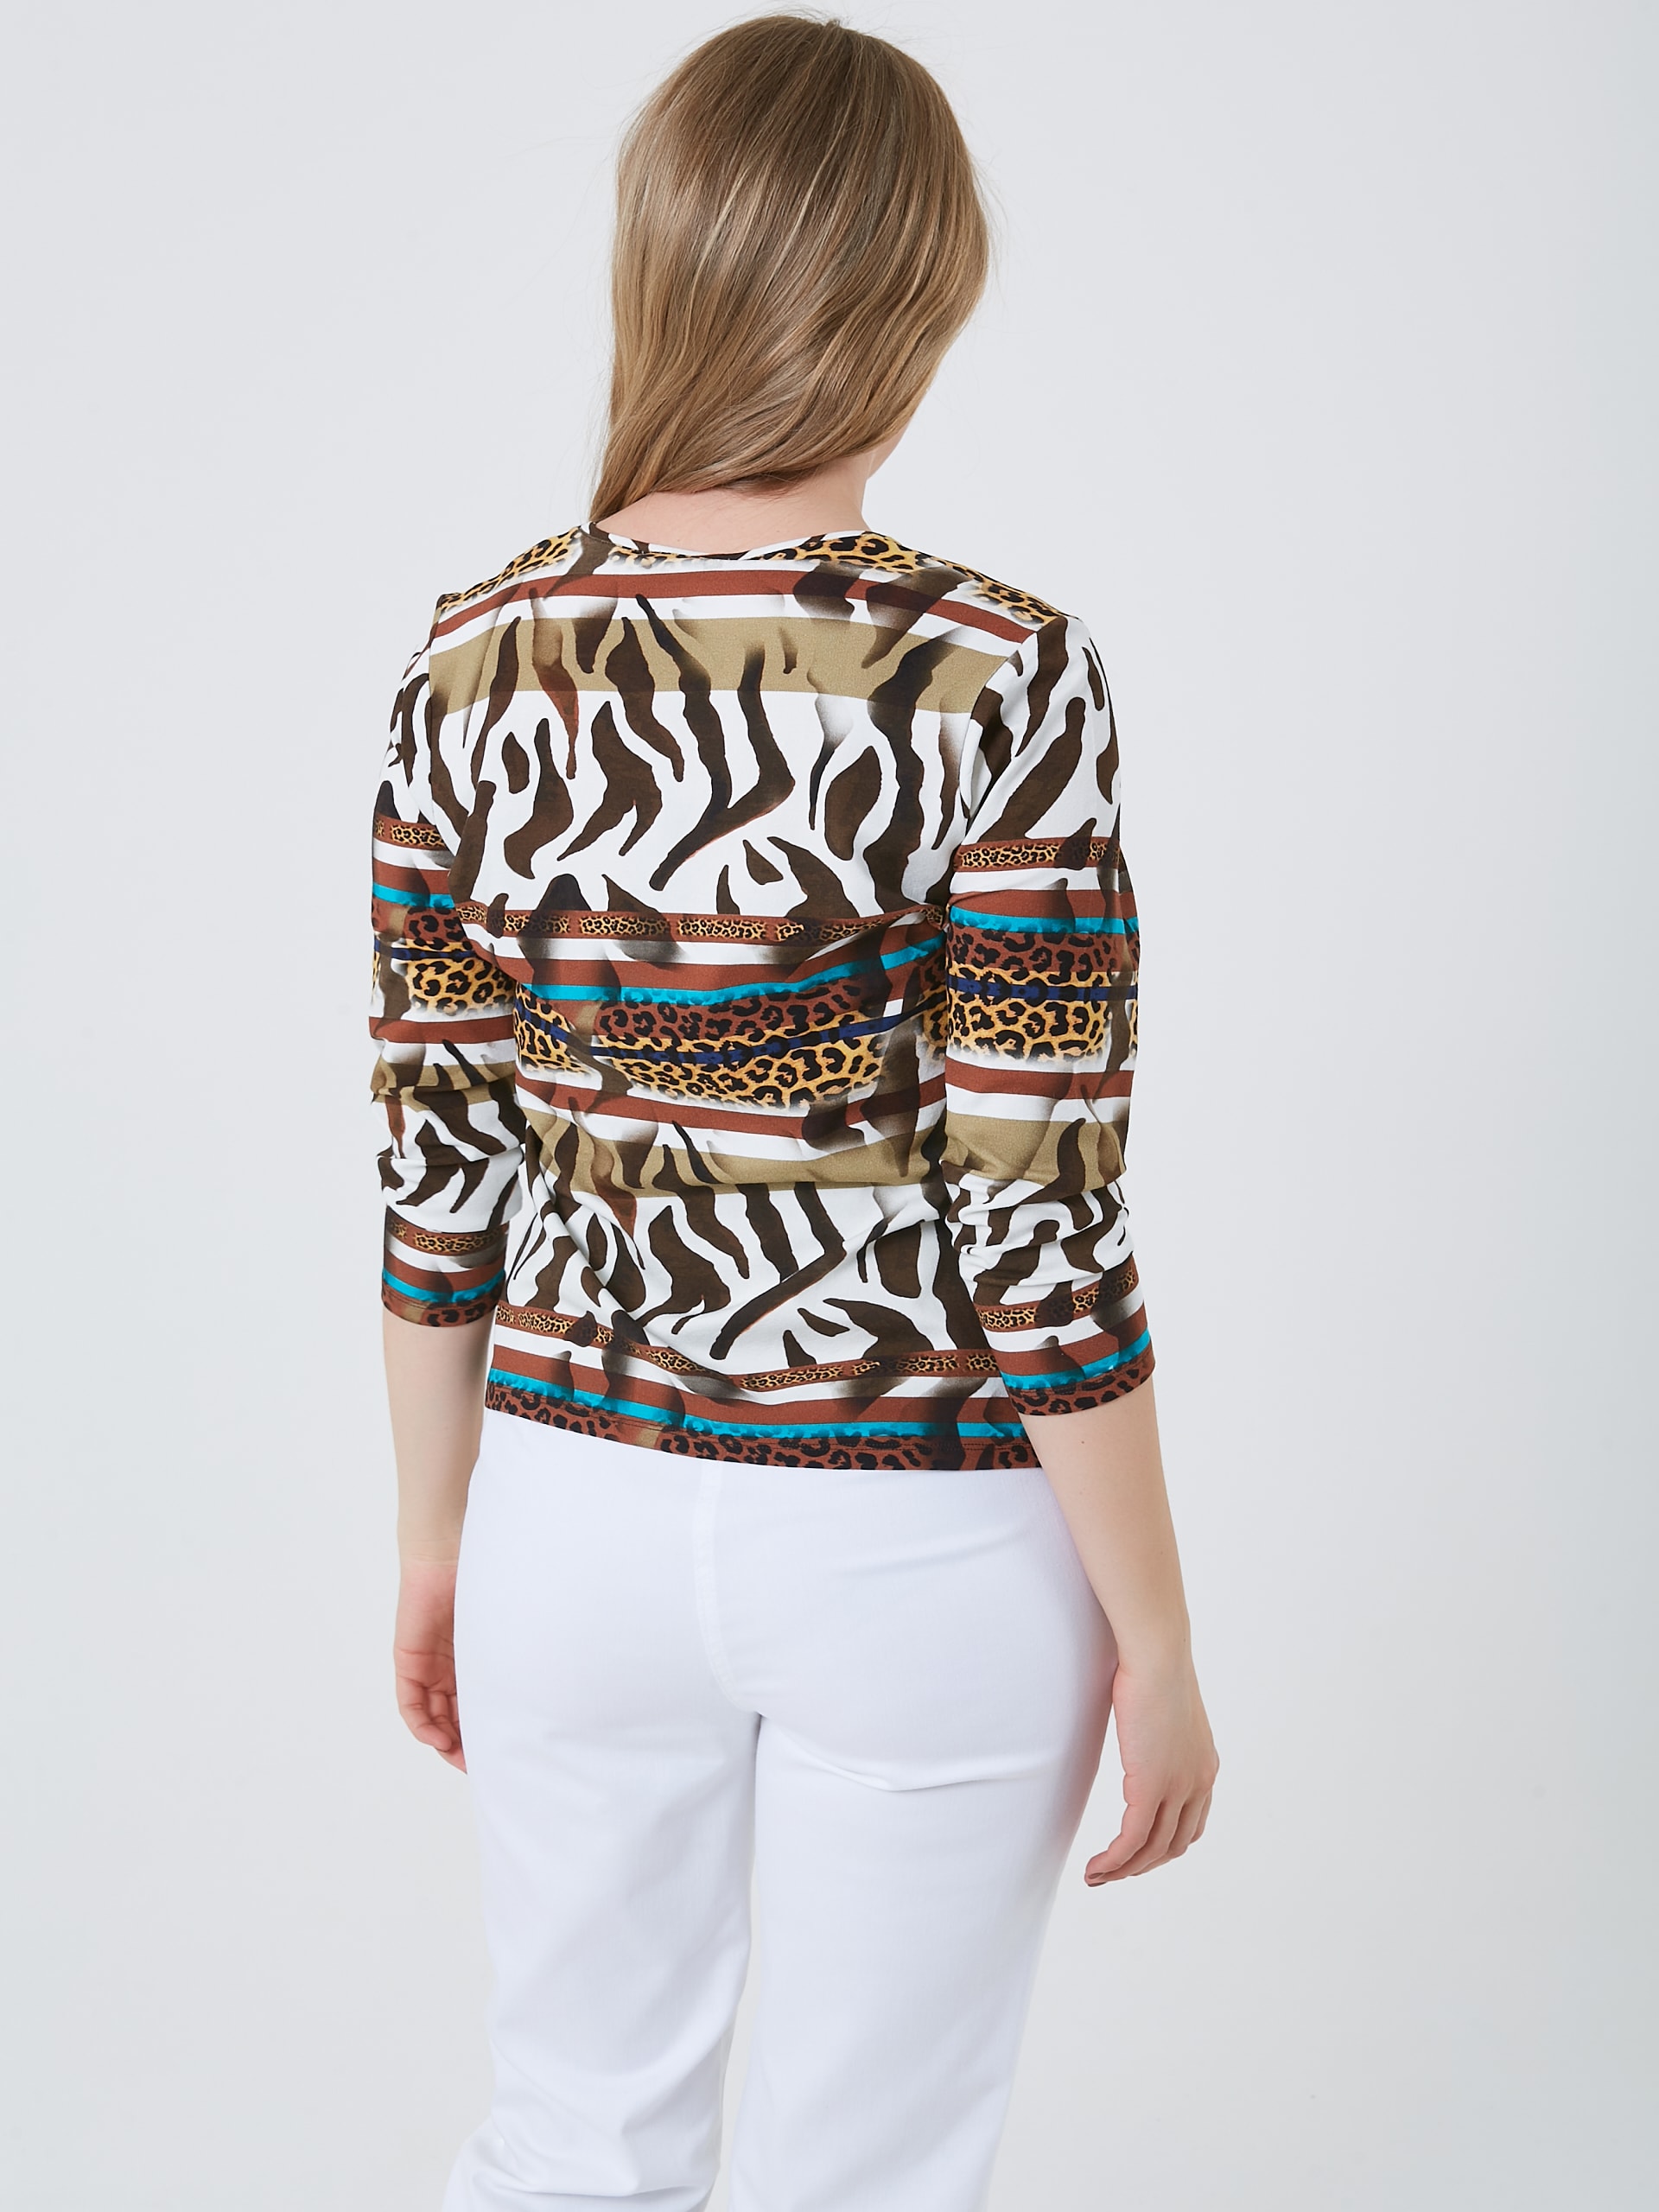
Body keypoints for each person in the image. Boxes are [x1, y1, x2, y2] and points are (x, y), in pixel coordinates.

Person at [372, 15, 1217, 2209]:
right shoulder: (1000, 670)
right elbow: (1039, 1209)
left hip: (567, 1504)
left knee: (569, 2140)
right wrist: (1157, 1633)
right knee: (866, 2179)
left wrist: (442, 1536)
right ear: (912, 296)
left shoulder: (469, 659)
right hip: (920, 1521)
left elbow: (440, 1169)